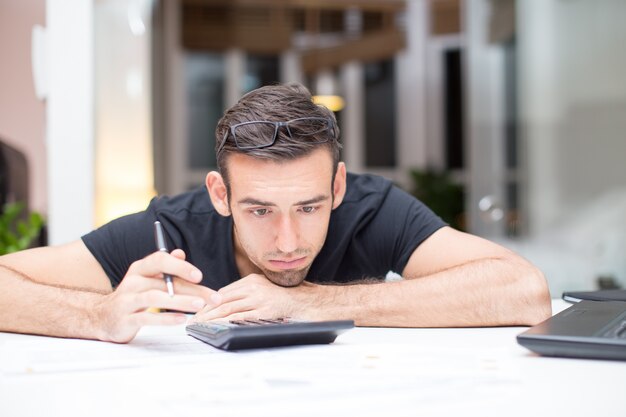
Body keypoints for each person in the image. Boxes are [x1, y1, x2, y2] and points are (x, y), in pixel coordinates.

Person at [0, 83, 551, 343]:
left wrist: (306, 301)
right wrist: (96, 316)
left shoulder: (370, 208)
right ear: (219, 195)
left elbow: (523, 290)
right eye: (259, 209)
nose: (288, 239)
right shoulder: (168, 228)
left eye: (309, 206)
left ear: (337, 186)